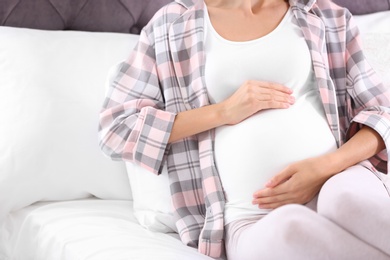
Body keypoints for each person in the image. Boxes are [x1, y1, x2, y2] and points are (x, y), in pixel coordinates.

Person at [98, 0, 390, 259]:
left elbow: (383, 114)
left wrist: (324, 168)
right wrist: (223, 111)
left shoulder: (325, 14)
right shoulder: (170, 25)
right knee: (290, 233)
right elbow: (117, 129)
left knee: (349, 203)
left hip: (337, 180)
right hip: (248, 216)